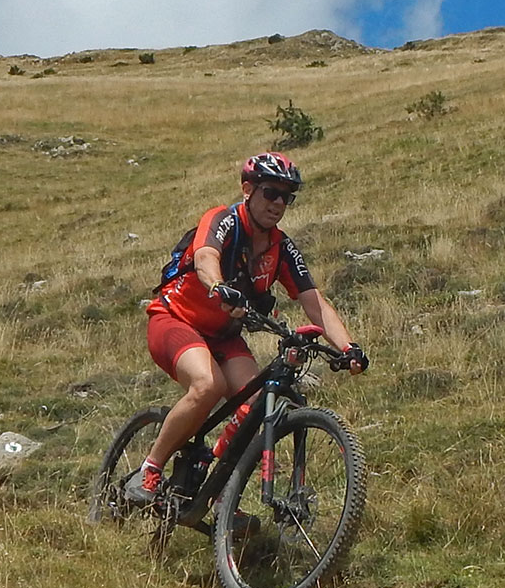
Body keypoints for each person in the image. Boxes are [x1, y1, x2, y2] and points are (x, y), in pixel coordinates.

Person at [128, 151, 366, 505]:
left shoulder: (281, 247)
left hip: (224, 335)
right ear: (247, 190)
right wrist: (218, 285)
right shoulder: (224, 220)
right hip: (175, 319)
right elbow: (207, 255)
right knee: (209, 385)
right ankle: (149, 470)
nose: (279, 203)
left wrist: (349, 348)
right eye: (271, 192)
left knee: (259, 405)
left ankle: (217, 489)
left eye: (287, 197)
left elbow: (313, 300)